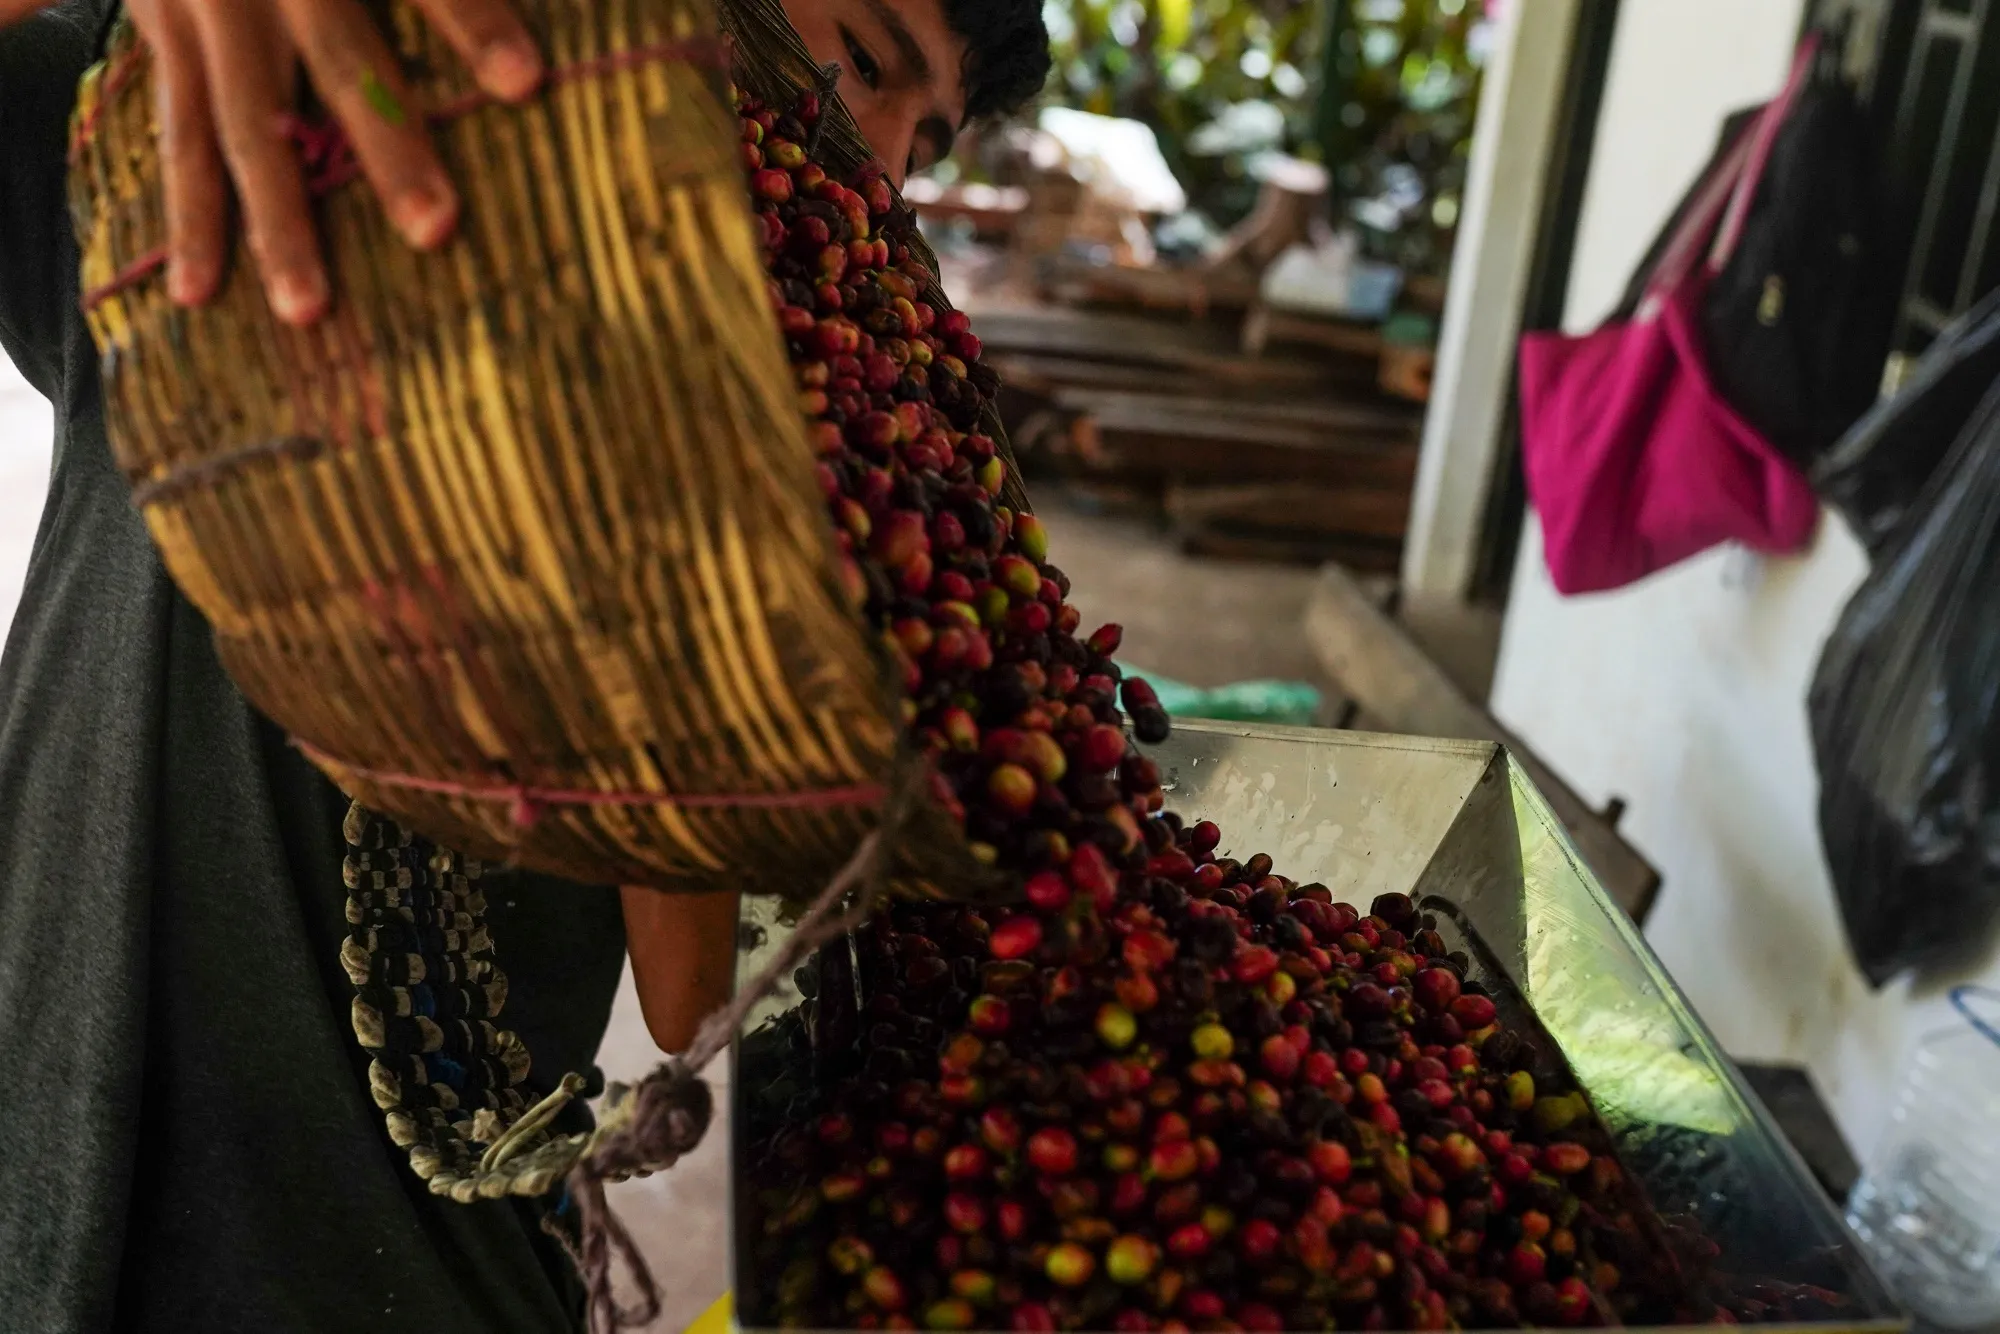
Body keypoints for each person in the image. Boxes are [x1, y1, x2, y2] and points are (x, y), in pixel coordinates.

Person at [0, 0, 1048, 1330]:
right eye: (866, 55)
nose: (878, 163)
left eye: (925, 142)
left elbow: (686, 993)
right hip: (48, 1191)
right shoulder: (239, 120)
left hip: (427, 1267)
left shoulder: (760, 454)